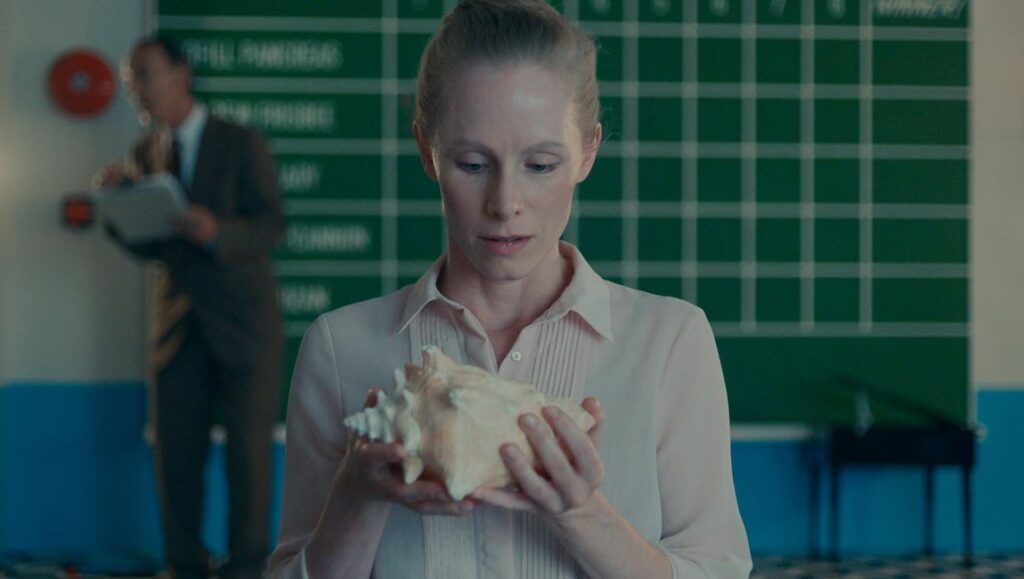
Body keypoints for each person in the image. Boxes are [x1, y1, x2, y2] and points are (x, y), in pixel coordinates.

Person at [267, 1, 751, 577]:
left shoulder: (670, 342)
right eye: (472, 163)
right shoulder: (341, 348)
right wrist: (358, 498)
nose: (505, 204)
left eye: (541, 165)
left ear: (588, 151)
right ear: (427, 149)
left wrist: (581, 513)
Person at [97, 36, 285, 579]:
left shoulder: (239, 141)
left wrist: (215, 231)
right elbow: (152, 246)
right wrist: (117, 211)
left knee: (248, 460)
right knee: (175, 461)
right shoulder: (143, 155)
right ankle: (184, 566)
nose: (137, 88)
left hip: (244, 326)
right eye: (131, 79)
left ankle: (248, 568)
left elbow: (272, 224)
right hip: (177, 329)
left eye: (145, 75)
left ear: (182, 73)